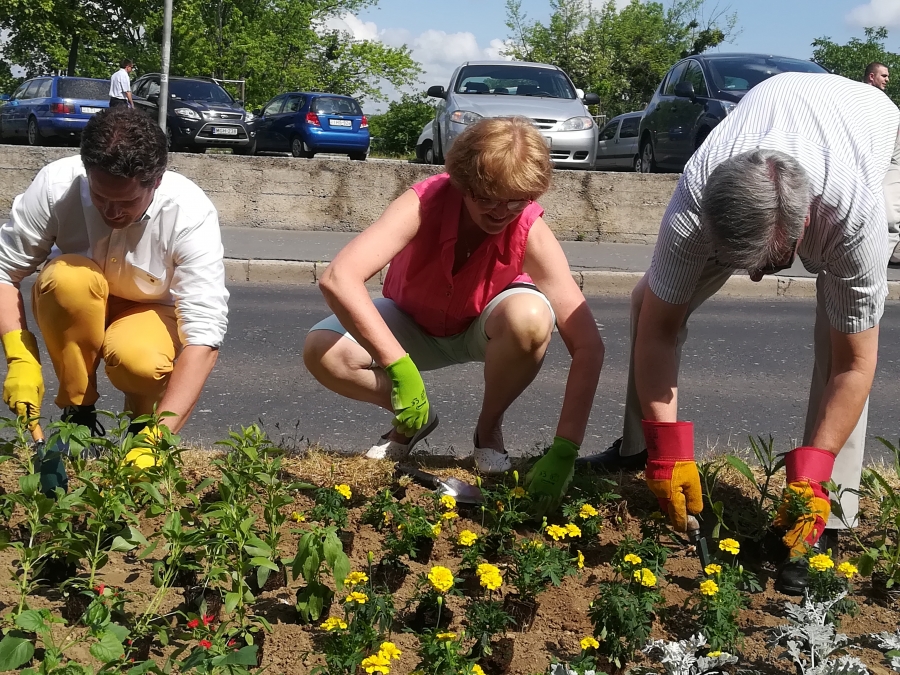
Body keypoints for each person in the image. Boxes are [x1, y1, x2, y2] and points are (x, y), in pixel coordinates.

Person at [579, 72, 900, 593]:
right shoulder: (697, 193)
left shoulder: (852, 218)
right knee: (648, 301)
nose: (752, 277)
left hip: (871, 133)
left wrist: (811, 474)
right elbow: (660, 328)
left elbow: (854, 365)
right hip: (776, 115)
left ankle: (822, 516)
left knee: (836, 338)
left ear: (802, 227)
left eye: (765, 264)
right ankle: (642, 450)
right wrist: (669, 444)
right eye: (738, 262)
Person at [303, 116, 603, 509]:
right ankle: (412, 415)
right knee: (322, 351)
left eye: (516, 200)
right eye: (487, 197)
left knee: (531, 316)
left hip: (483, 325)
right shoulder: (424, 201)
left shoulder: (529, 227)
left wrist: (566, 448)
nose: (501, 212)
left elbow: (588, 345)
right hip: (409, 321)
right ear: (462, 183)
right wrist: (399, 371)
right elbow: (339, 277)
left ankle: (489, 427)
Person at [0, 106, 229, 491]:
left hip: (150, 311)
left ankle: (142, 433)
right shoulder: (57, 185)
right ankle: (78, 409)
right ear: (87, 171)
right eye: (102, 196)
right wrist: (19, 356)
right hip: (80, 301)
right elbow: (5, 270)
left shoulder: (189, 213)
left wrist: (162, 438)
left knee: (139, 362)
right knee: (67, 280)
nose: (111, 211)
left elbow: (204, 336)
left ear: (155, 182)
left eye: (126, 202)